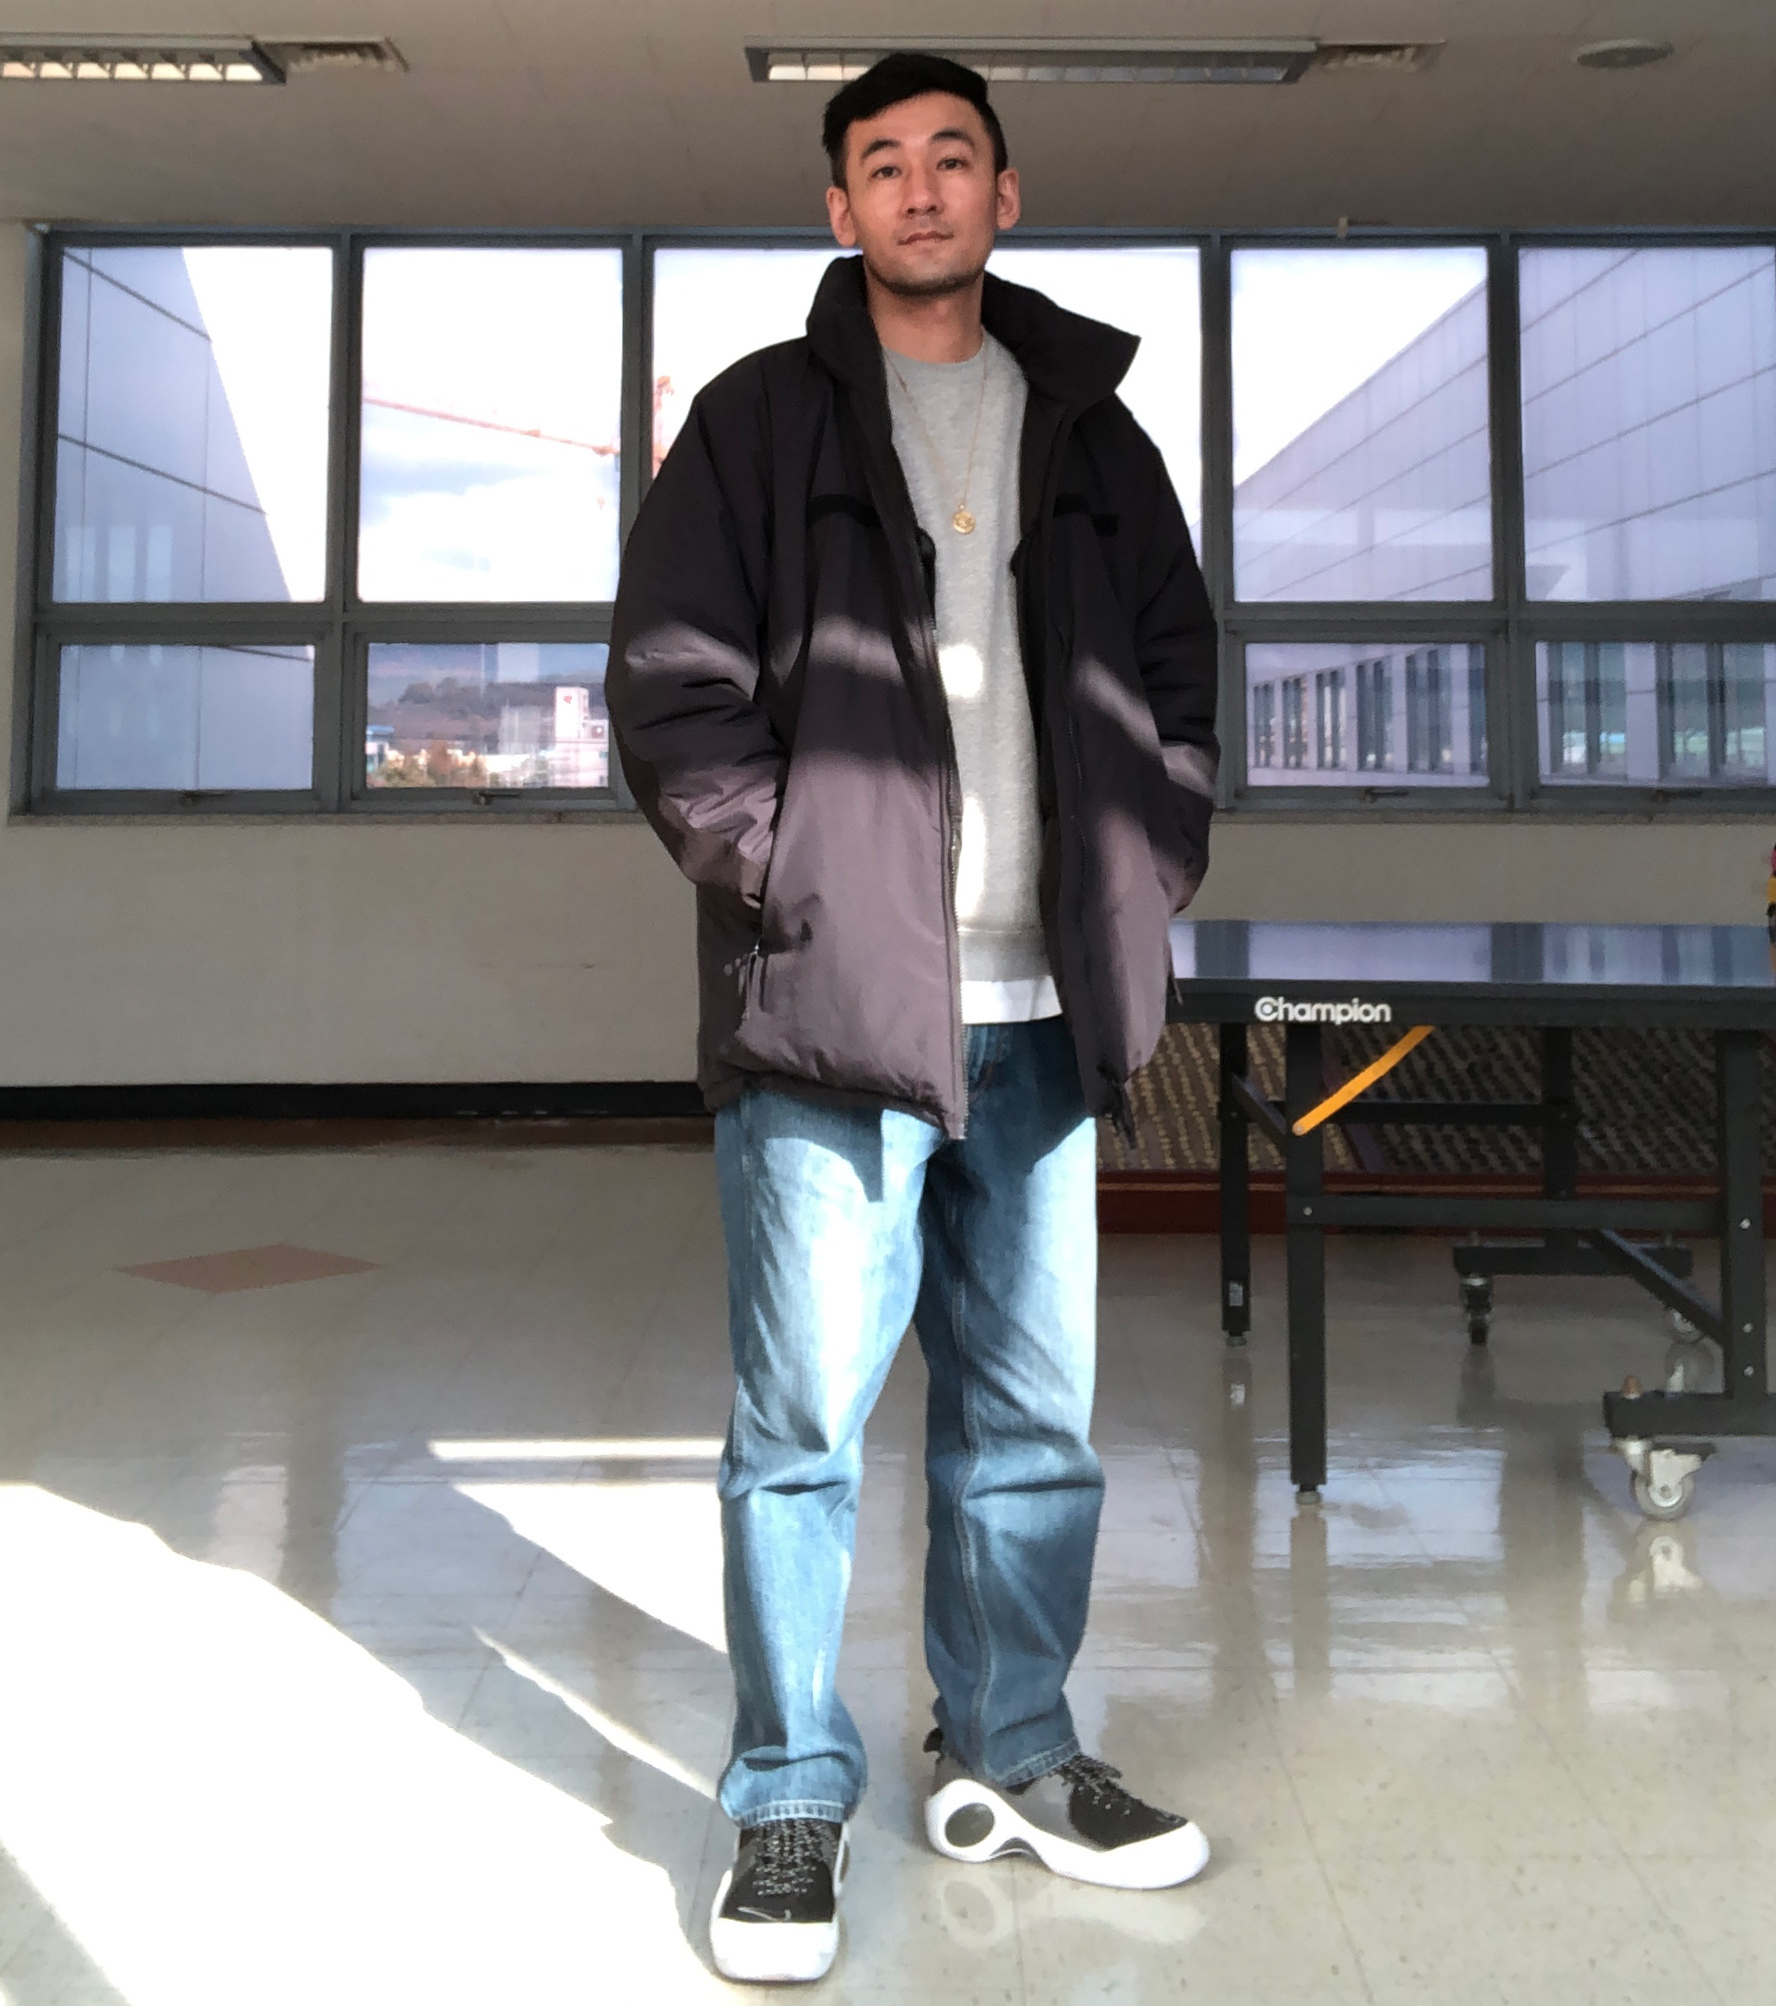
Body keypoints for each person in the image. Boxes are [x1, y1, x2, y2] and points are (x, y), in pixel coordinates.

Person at [607, 50, 1219, 1986]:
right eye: (883, 162)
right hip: (833, 1010)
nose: (922, 187)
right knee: (800, 1426)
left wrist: (1145, 860)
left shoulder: (1093, 428)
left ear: (1003, 195)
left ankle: (1011, 1746)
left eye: (954, 156)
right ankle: (789, 1790)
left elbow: (1177, 676)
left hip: (1044, 1004)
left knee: (1031, 1420)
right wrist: (789, 878)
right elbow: (671, 691)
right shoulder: (755, 421)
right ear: (840, 209)